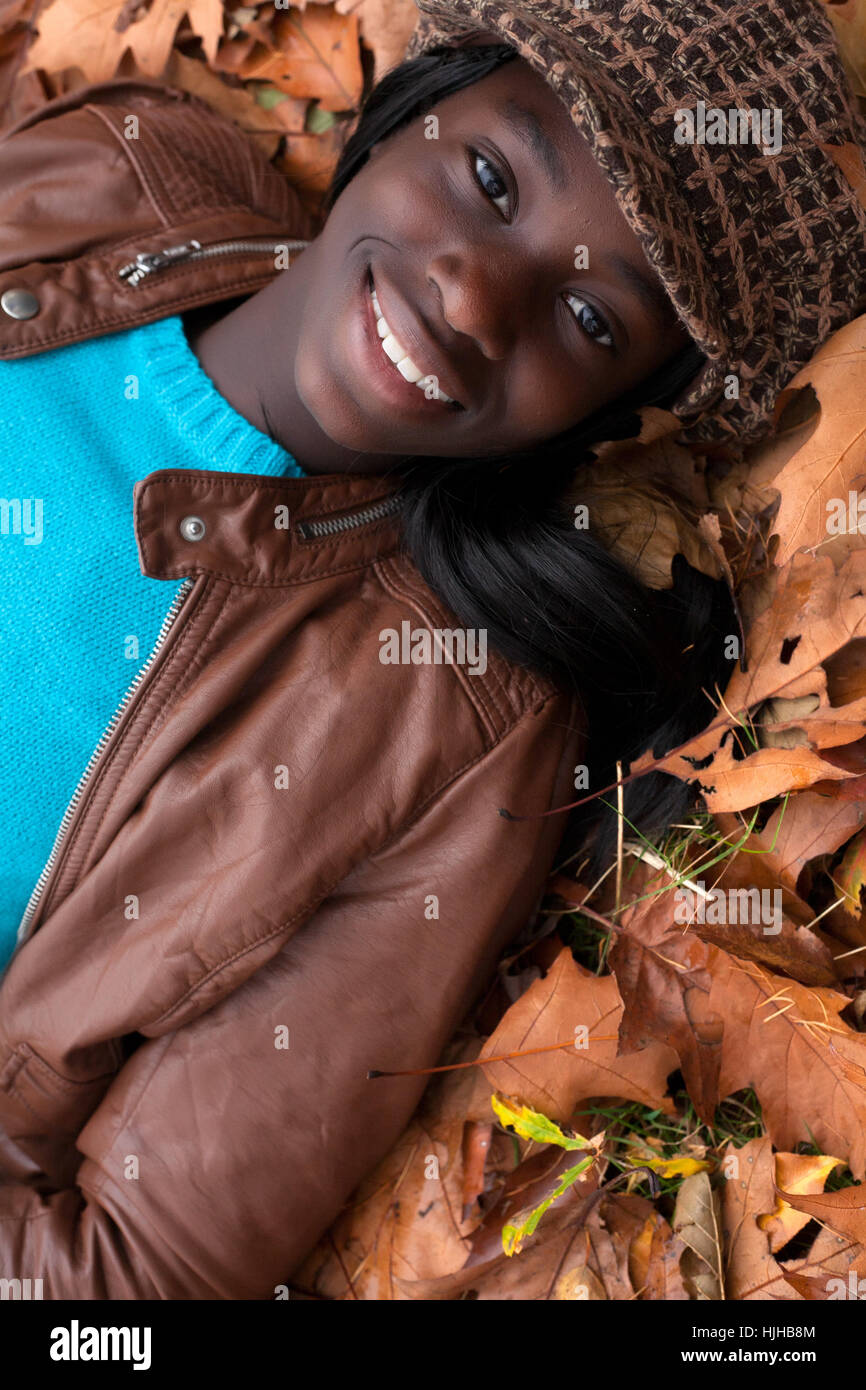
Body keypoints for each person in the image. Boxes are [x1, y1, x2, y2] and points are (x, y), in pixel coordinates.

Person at [0, 0, 862, 1297]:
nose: (473, 290)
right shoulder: (123, 163)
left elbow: (119, 1278)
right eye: (490, 176)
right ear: (408, 113)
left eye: (589, 323)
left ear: (609, 415)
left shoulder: (446, 724)